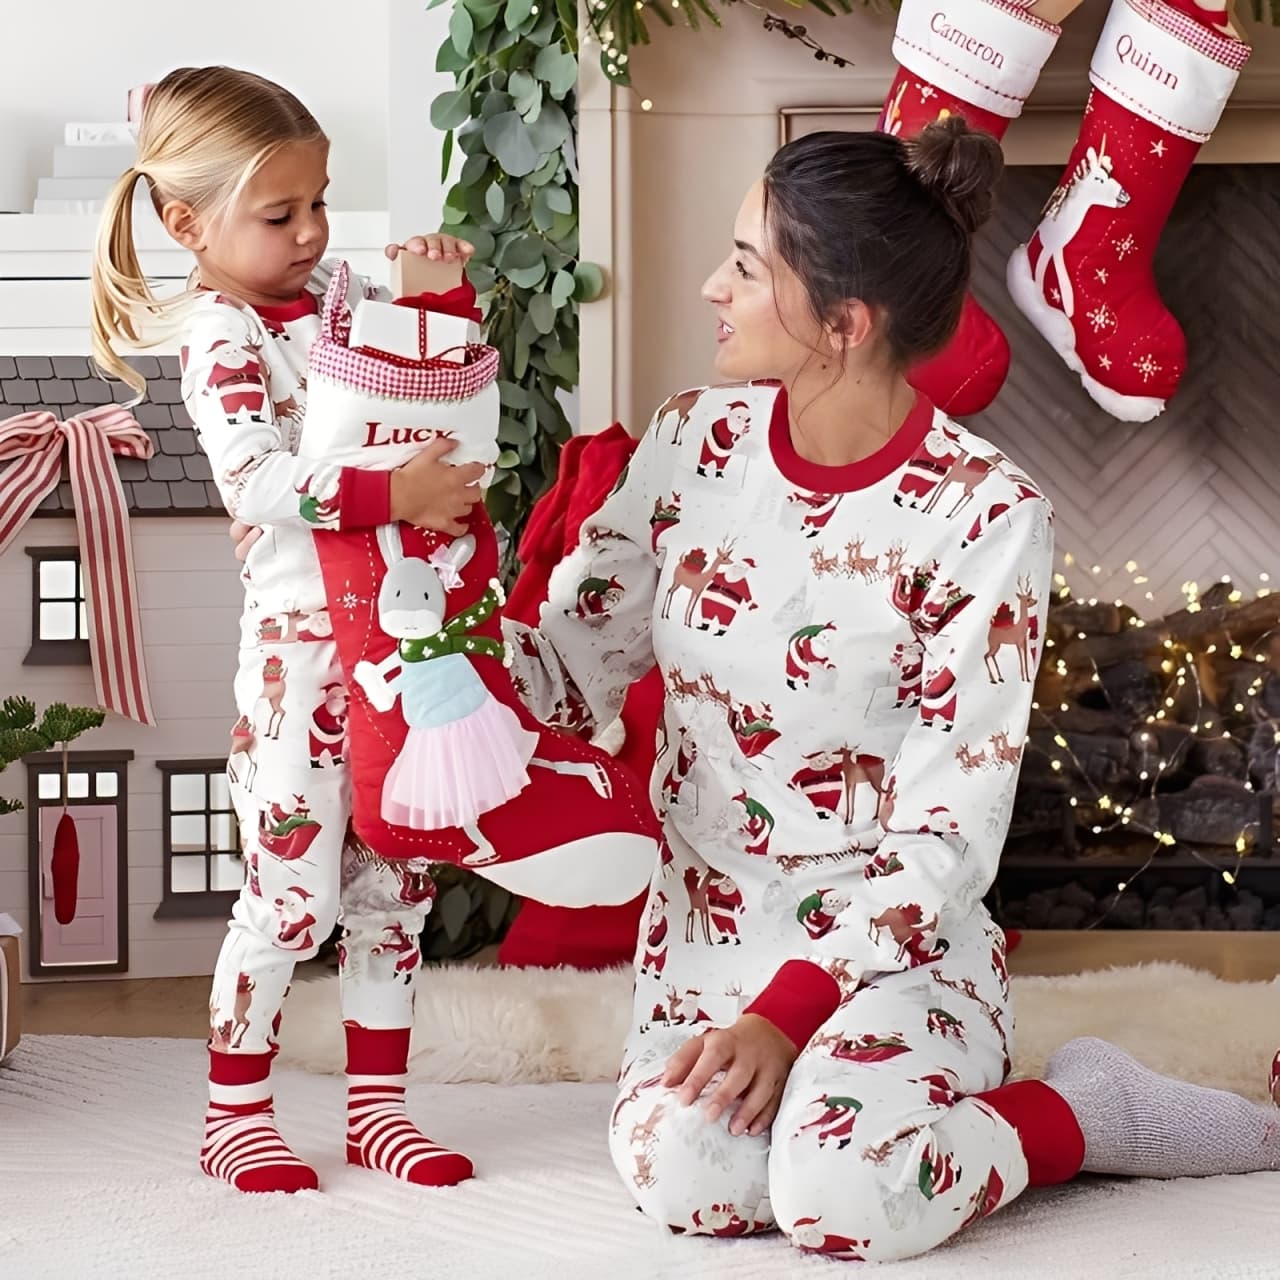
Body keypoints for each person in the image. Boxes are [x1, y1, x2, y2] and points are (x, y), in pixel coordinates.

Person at [506, 120, 1280, 1263]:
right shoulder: (686, 443)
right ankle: (839, 1098)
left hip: (891, 948)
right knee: (693, 1183)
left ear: (842, 322)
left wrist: (793, 1009)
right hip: (710, 939)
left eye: (746, 265)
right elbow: (567, 681)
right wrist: (437, 601)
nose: (712, 286)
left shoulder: (982, 514)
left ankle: (1079, 1113)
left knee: (849, 1201)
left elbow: (947, 834)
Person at [91, 65, 483, 1195]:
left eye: (320, 201)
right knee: (288, 891)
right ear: (186, 224)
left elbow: (424, 393)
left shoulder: (340, 303)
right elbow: (256, 476)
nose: (312, 230)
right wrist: (389, 497)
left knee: (395, 883)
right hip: (302, 657)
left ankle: (376, 1109)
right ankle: (236, 1111)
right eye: (281, 214)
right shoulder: (217, 334)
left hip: (400, 639)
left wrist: (437, 306)